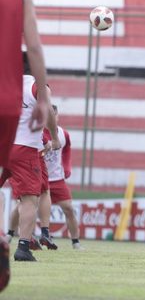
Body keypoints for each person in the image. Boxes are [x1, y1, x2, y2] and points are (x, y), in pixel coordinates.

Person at [0, 0, 53, 287]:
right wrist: (43, 101)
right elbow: (33, 46)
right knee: (30, 196)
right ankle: (18, 245)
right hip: (7, 107)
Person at [4, 53, 60, 262]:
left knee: (20, 198)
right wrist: (54, 139)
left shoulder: (7, 85)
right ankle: (23, 247)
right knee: (30, 199)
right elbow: (49, 115)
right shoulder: (37, 86)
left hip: (5, 147)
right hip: (24, 149)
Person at [43, 105, 82, 250]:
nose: (52, 119)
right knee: (24, 207)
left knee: (69, 209)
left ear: (57, 116)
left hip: (57, 179)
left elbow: (67, 151)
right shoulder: (37, 133)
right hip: (39, 178)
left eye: (54, 115)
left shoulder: (63, 134)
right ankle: (13, 235)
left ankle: (76, 242)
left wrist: (66, 167)